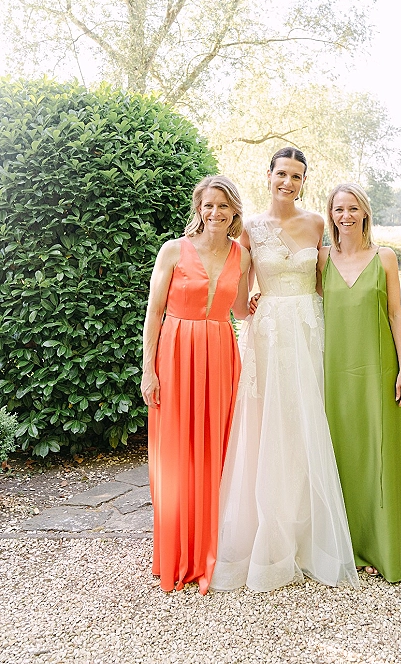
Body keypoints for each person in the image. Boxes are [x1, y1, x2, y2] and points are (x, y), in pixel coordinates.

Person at [211, 148, 359, 592]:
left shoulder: (318, 223)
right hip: (270, 333)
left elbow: (325, 283)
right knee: (268, 425)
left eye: (297, 176)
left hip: (310, 329)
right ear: (268, 175)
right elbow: (238, 304)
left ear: (304, 181)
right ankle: (269, 537)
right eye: (282, 174)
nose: (288, 183)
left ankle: (309, 534)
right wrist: (252, 303)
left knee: (305, 421)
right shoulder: (250, 231)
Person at [141, 175, 251, 594]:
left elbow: (239, 309)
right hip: (176, 354)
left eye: (224, 206)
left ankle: (211, 550)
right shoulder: (173, 250)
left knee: (215, 452)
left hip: (221, 355)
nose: (215, 213)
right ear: (198, 208)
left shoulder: (241, 255)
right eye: (208, 205)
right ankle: (176, 553)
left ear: (234, 210)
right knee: (176, 454)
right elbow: (154, 313)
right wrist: (148, 370)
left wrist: (257, 305)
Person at [318, 182, 401, 582]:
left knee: (378, 455)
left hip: (377, 371)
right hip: (334, 373)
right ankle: (347, 547)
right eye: (339, 209)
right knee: (341, 454)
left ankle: (382, 545)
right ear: (331, 215)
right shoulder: (321, 260)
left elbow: (396, 314)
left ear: (365, 213)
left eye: (353, 208)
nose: (346, 215)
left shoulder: (386, 257)